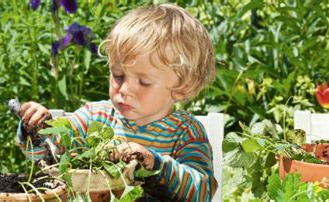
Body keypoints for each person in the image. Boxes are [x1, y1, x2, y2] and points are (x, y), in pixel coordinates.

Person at [16, 4, 217, 201]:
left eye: (144, 82)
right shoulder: (95, 117)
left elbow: (203, 191)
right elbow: (45, 155)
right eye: (118, 75)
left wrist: (153, 162)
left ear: (183, 87)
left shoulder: (186, 133)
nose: (124, 89)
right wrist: (36, 128)